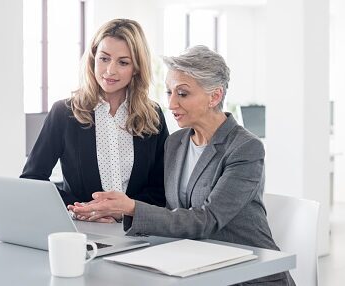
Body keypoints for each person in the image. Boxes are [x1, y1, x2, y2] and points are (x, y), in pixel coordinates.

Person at [71, 45, 295, 285]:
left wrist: (133, 207)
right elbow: (173, 213)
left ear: (215, 96)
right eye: (169, 92)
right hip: (195, 268)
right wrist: (120, 212)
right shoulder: (176, 142)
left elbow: (205, 220)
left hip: (248, 275)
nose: (171, 104)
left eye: (183, 94)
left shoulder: (245, 148)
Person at [21, 18, 168, 223]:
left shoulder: (152, 116)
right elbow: (32, 181)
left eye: (123, 62)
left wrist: (124, 212)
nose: (110, 71)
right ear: (92, 59)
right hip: (81, 232)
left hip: (138, 234)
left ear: (136, 68)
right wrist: (79, 210)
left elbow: (160, 190)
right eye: (104, 58)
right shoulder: (64, 113)